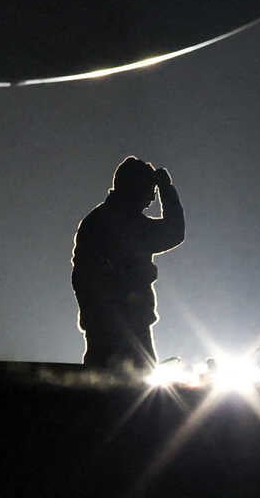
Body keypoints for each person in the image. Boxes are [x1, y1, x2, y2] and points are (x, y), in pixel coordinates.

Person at [71, 156, 185, 373]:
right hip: (121, 329)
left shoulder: (99, 221)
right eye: (149, 191)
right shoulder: (123, 225)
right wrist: (166, 189)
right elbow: (174, 232)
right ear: (134, 189)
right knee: (128, 386)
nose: (151, 199)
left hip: (114, 325)